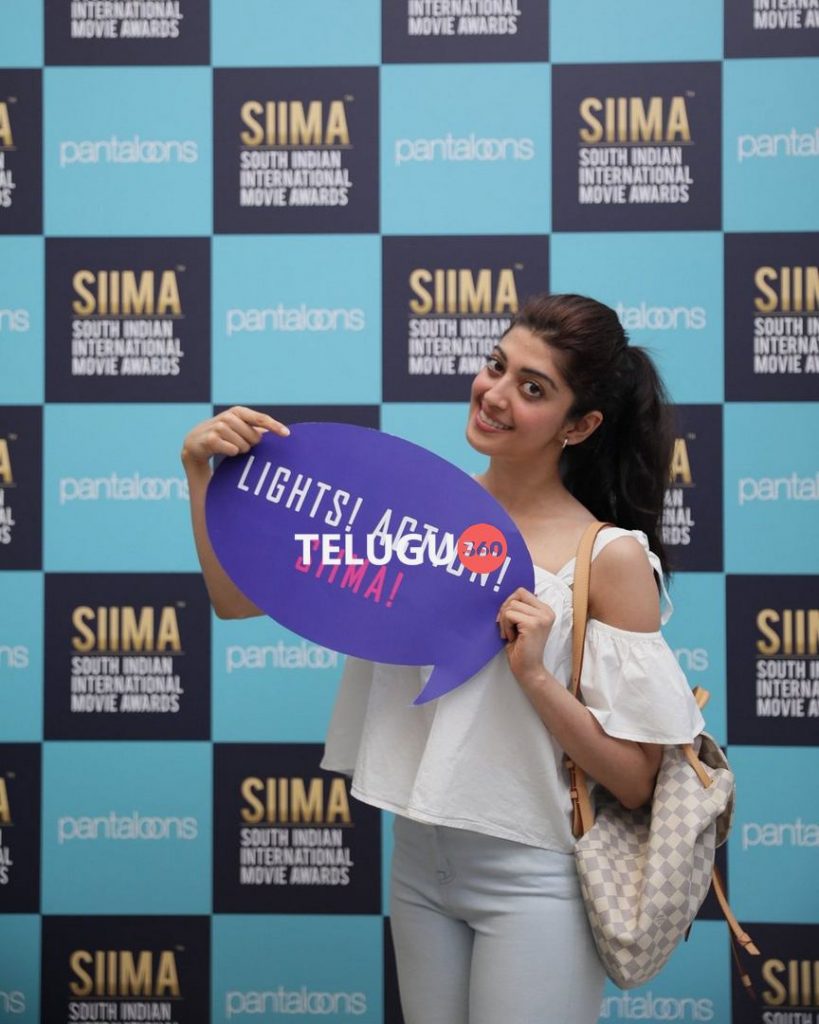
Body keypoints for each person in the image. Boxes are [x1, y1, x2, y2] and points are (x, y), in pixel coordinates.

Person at [181, 293, 705, 1024]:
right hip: (420, 861)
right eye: (497, 365)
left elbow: (637, 780)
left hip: (535, 874)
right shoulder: (406, 519)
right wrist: (200, 473)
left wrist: (534, 677)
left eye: (533, 388)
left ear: (580, 425)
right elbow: (235, 600)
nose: (495, 393)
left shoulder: (607, 558)